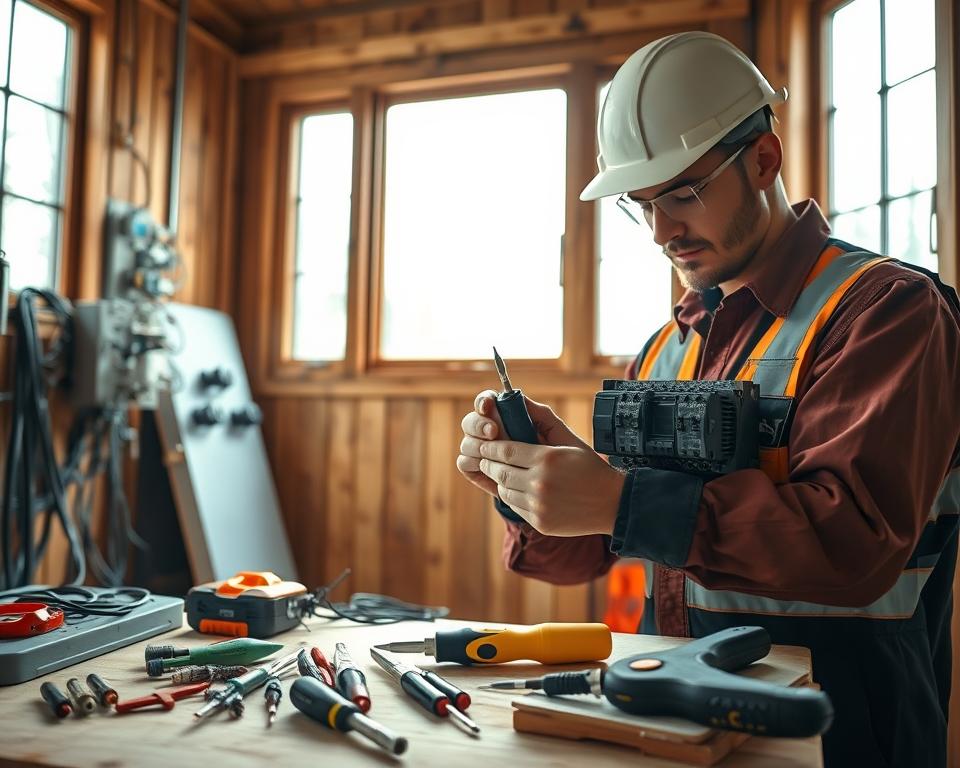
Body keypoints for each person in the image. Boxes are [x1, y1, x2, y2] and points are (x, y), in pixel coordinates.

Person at [456, 31, 960, 767]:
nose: (662, 231)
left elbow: (852, 543)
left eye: (684, 194)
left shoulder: (886, 311)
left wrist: (619, 502)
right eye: (642, 204)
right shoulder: (664, 349)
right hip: (674, 721)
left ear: (763, 159)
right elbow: (583, 557)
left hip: (843, 730)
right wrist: (532, 482)